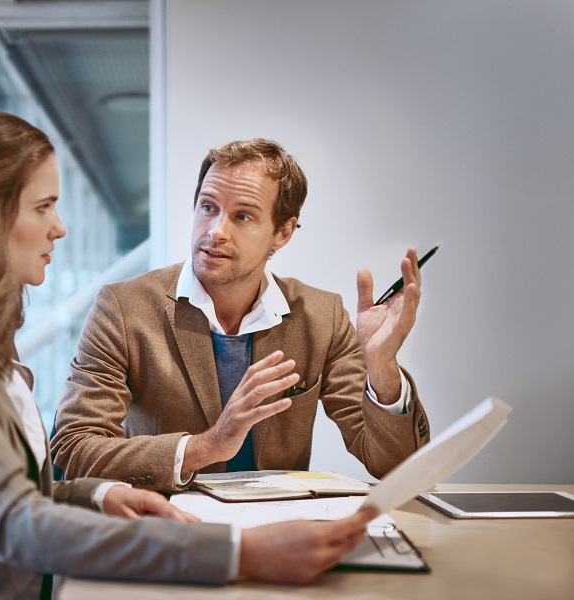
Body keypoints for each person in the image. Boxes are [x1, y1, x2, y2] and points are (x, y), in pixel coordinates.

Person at [0, 109, 378, 599]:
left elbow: (9, 492)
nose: (60, 228)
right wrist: (239, 552)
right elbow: (11, 518)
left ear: (284, 233)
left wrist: (101, 495)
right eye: (44, 206)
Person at [51, 138, 431, 492]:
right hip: (167, 534)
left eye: (243, 216)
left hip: (278, 537)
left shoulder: (321, 316)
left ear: (283, 233)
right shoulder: (123, 307)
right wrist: (206, 446)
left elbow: (394, 467)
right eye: (208, 207)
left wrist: (381, 369)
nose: (215, 231)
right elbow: (73, 448)